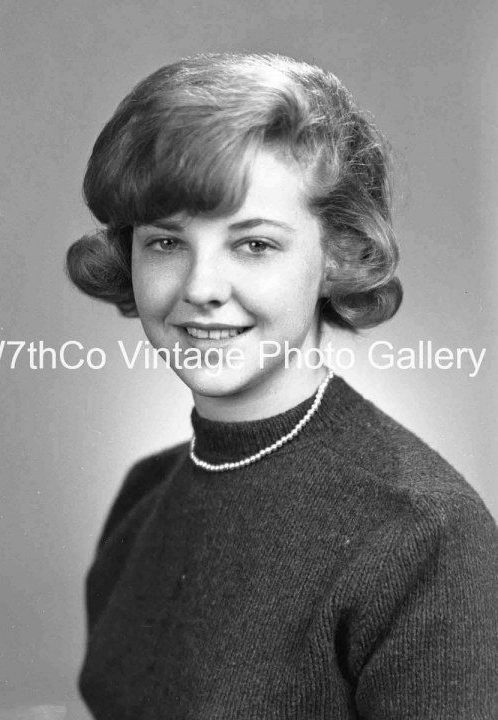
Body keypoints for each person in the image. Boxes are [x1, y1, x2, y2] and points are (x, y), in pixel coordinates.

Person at [66, 53, 498, 719]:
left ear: (338, 255)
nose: (202, 288)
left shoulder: (422, 534)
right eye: (166, 243)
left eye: (255, 244)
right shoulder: (144, 494)